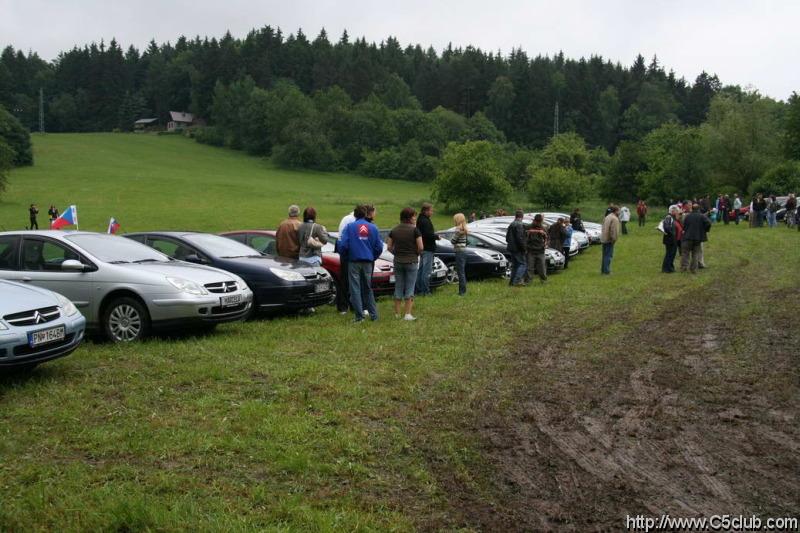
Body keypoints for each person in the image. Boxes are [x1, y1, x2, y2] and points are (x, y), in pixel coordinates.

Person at [338, 205, 383, 322]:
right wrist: (372, 257)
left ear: (355, 215)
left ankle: (359, 316)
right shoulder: (373, 227)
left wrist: (347, 256)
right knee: (368, 288)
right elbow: (379, 247)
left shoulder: (349, 227)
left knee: (355, 288)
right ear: (365, 214)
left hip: (354, 261)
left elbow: (342, 245)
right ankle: (374, 315)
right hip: (368, 261)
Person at [387, 207, 423, 320]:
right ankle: (407, 314)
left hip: (398, 261)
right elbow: (421, 247)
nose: (415, 218)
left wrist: (396, 254)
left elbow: (389, 247)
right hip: (411, 261)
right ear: (409, 217)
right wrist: (416, 254)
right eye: (414, 216)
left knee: (398, 286)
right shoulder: (415, 230)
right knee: (410, 287)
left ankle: (397, 314)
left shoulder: (394, 229)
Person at [335, 206, 361, 314]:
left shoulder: (345, 218)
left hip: (344, 252)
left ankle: (343, 306)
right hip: (350, 253)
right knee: (351, 280)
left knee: (345, 279)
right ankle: (349, 305)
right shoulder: (353, 221)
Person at [415, 202, 439, 296]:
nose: (432, 212)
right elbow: (427, 234)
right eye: (431, 210)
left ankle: (419, 289)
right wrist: (436, 236)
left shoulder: (420, 219)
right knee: (426, 270)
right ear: (426, 211)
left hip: (423, 247)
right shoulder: (425, 221)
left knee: (421, 269)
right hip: (427, 248)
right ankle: (425, 291)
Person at [680, 204, 711, 273]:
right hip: (698, 238)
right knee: (695, 253)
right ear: (699, 209)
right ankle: (693, 269)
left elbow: (683, 224)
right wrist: (705, 230)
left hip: (687, 237)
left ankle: (684, 267)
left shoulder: (687, 216)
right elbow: (708, 223)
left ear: (692, 209)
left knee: (685, 253)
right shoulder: (702, 216)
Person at [505, 210, 527, 286]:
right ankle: (516, 281)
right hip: (518, 248)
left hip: (511, 248)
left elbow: (507, 238)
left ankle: (511, 282)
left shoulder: (511, 224)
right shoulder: (519, 225)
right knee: (523, 264)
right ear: (522, 216)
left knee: (515, 265)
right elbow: (520, 238)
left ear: (515, 216)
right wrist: (524, 248)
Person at [525, 214, 548, 283]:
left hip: (540, 251)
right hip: (530, 250)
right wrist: (537, 231)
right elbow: (525, 232)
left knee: (542, 267)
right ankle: (528, 281)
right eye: (537, 221)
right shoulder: (528, 226)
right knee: (530, 267)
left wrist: (546, 244)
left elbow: (547, 237)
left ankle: (543, 280)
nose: (538, 223)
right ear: (534, 220)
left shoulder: (543, 228)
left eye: (539, 222)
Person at [450, 213, 469, 296]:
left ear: (457, 220)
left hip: (459, 252)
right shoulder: (464, 228)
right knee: (462, 272)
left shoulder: (458, 229)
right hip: (464, 251)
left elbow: (452, 241)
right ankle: (463, 291)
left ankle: (462, 292)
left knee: (460, 272)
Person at [600, 206, 621, 275]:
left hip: (604, 238)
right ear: (616, 211)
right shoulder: (614, 218)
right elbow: (614, 230)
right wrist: (614, 239)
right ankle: (606, 271)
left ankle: (603, 270)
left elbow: (603, 227)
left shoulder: (607, 217)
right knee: (608, 256)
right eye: (619, 211)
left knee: (604, 255)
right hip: (609, 239)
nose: (619, 212)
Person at [661, 206, 680, 273]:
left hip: (671, 239)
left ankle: (670, 267)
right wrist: (672, 234)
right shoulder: (669, 217)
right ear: (673, 211)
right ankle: (666, 269)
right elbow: (666, 227)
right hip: (670, 239)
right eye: (676, 211)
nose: (677, 212)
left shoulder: (672, 218)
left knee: (671, 254)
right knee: (669, 254)